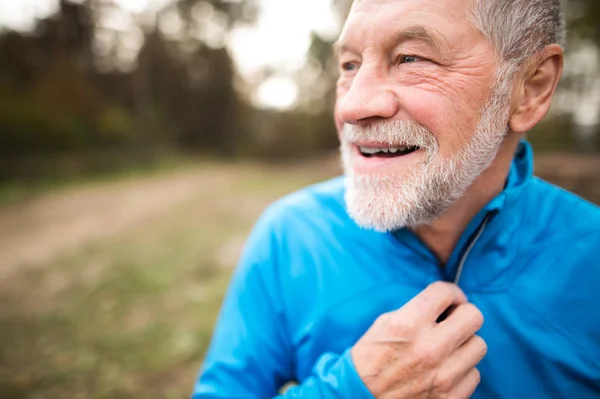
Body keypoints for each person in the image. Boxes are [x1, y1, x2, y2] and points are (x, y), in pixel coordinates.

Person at [193, 0, 600, 397]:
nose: (352, 105)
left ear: (531, 87)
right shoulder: (290, 237)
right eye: (350, 65)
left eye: (410, 58)